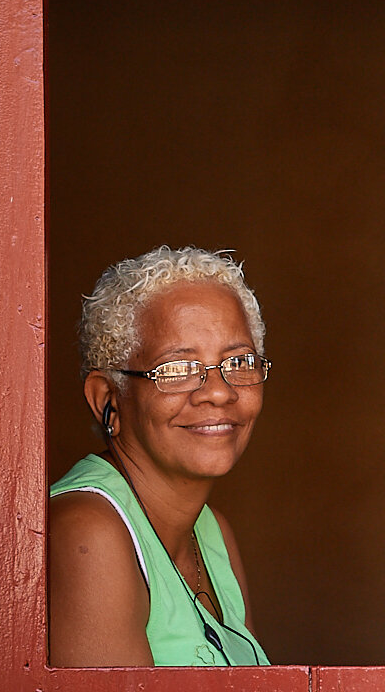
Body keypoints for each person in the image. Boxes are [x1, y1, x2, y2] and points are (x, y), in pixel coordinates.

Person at [49, 246, 273, 667]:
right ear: (106, 398)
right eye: (176, 369)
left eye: (238, 361)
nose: (220, 391)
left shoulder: (211, 531)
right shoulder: (88, 532)